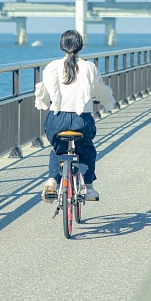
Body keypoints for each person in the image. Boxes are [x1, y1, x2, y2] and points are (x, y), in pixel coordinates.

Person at [34, 30, 117, 202]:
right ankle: (88, 188)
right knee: (86, 150)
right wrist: (109, 103)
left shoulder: (52, 66)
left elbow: (43, 90)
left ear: (61, 46)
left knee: (59, 150)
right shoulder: (89, 67)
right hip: (81, 120)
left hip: (56, 120)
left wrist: (42, 102)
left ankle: (51, 181)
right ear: (81, 46)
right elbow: (101, 91)